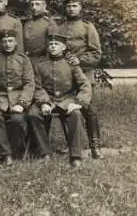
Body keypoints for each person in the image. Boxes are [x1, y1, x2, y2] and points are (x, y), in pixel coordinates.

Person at [27, 33, 91, 167]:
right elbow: (37, 87)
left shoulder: (71, 64)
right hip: (48, 99)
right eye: (50, 44)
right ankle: (45, 152)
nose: (53, 46)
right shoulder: (40, 65)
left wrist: (78, 103)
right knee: (33, 114)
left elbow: (85, 84)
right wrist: (44, 102)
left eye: (56, 44)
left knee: (76, 115)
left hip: (67, 99)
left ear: (64, 47)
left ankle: (75, 155)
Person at [52, 0, 103, 159]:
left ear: (80, 8)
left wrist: (80, 60)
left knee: (89, 109)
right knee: (66, 109)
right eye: (68, 6)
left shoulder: (88, 27)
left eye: (74, 6)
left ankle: (95, 146)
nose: (71, 9)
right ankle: (72, 145)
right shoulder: (59, 28)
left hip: (84, 73)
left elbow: (96, 53)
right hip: (65, 74)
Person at [0, 29, 35, 166]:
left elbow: (29, 83)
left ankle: (14, 149)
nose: (7, 44)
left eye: (10, 41)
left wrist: (22, 103)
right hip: (1, 97)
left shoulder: (23, 59)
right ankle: (6, 154)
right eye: (4, 41)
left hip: (18, 96)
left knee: (17, 119)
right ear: (1, 43)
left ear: (15, 42)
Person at [23, 0, 57, 66]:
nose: (34, 7)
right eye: (32, 4)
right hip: (26, 61)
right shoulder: (27, 23)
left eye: (37, 4)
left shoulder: (49, 23)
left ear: (44, 6)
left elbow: (51, 47)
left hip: (41, 61)